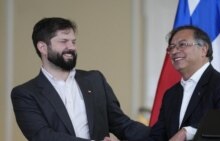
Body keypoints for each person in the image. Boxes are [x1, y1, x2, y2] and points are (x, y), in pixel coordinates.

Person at [11, 17, 149, 141]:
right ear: (43, 47)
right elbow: (42, 136)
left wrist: (161, 134)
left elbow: (121, 124)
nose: (71, 47)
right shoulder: (25, 93)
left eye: (73, 42)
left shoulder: (95, 80)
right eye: (64, 41)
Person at [147, 25, 220, 141]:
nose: (174, 51)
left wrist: (188, 132)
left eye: (182, 45)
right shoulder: (170, 94)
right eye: (171, 47)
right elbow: (157, 136)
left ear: (203, 49)